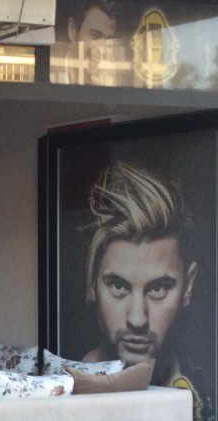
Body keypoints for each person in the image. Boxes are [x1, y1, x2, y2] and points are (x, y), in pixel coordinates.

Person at [81, 160, 198, 397]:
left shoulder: (208, 399)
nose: (137, 319)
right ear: (92, 282)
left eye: (158, 289)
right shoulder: (63, 391)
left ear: (188, 286)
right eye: (118, 286)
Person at [51, 0, 125, 85]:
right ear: (72, 30)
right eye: (95, 36)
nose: (102, 50)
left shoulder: (111, 84)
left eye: (109, 40)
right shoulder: (50, 74)